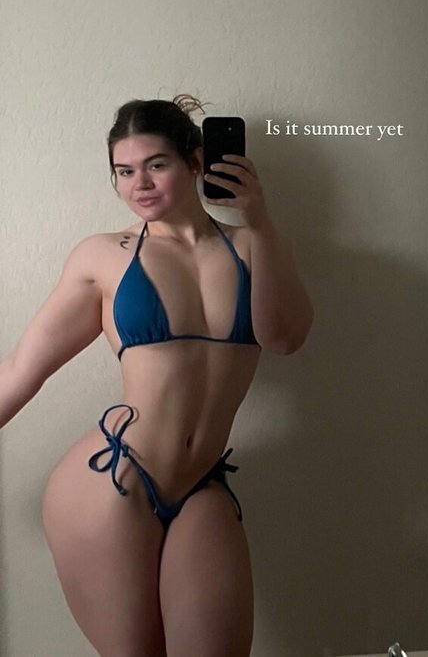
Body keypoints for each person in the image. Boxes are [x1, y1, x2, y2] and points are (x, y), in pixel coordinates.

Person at [0, 93, 314, 657]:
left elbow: (285, 338)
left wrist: (260, 221)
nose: (138, 184)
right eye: (123, 171)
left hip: (202, 484)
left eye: (156, 165)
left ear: (195, 162)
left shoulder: (251, 246)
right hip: (114, 478)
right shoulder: (103, 257)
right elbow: (21, 369)